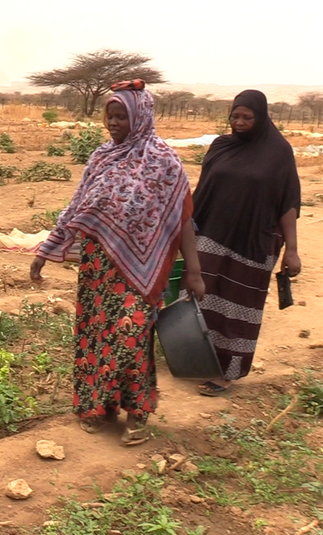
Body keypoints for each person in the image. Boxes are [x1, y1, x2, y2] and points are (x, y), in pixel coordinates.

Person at [30, 81, 204, 446]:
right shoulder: (101, 157)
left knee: (132, 335)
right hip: (97, 269)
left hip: (139, 274)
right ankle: (98, 407)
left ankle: (138, 413)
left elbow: (182, 219)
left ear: (141, 116)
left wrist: (194, 271)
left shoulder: (164, 162)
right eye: (109, 115)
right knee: (95, 338)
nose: (113, 122)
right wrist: (46, 250)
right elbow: (76, 209)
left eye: (121, 115)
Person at [192, 90, 300, 396]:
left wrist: (291, 250)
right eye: (235, 116)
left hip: (254, 244)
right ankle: (200, 360)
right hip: (211, 236)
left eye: (247, 118)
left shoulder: (278, 153)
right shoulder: (220, 147)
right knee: (205, 301)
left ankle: (228, 372)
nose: (239, 123)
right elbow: (202, 191)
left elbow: (288, 203)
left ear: (261, 117)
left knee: (239, 309)